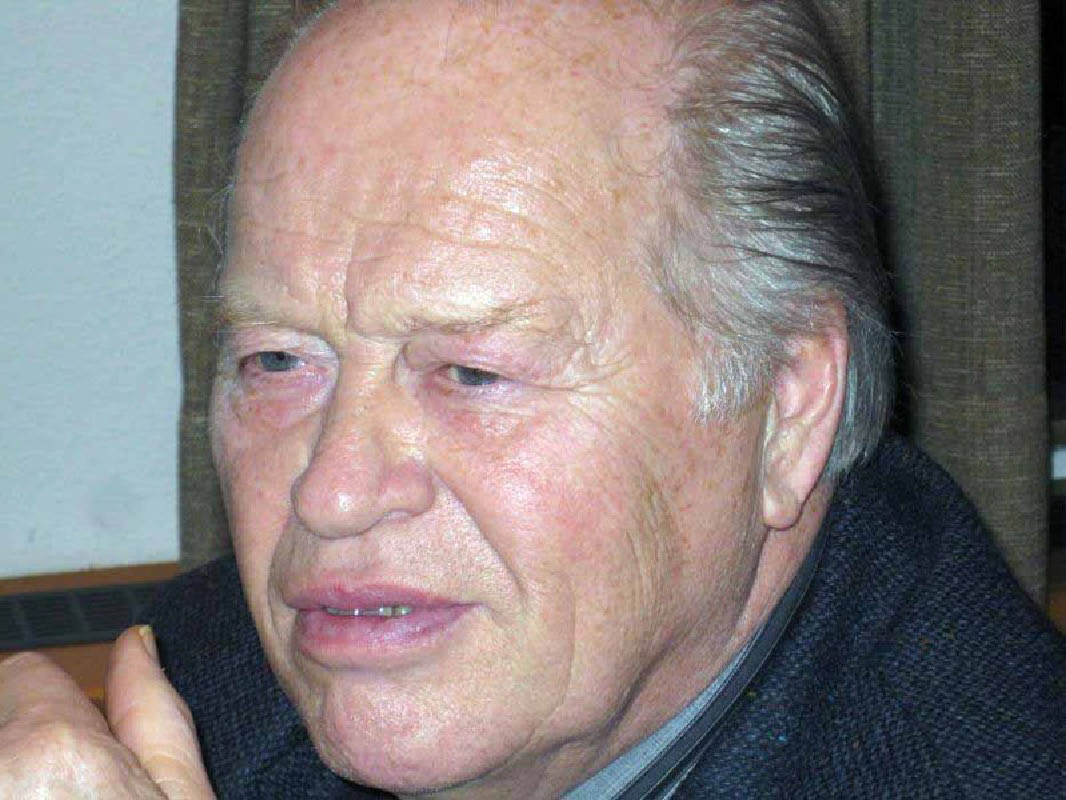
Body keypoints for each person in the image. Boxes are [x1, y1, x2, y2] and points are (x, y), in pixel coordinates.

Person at [1, 1, 1063, 797]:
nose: (330, 493)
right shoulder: (200, 687)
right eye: (278, 361)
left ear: (785, 409)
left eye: (471, 373)